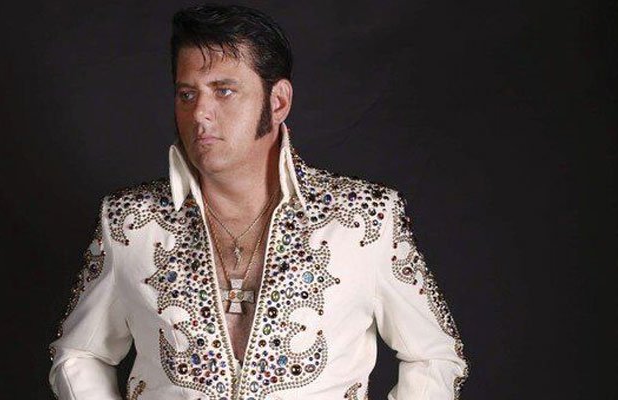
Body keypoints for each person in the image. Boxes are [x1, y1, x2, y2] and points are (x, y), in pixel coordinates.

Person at [47, 4, 470, 400]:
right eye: (187, 94)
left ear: (278, 101)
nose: (200, 114)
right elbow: (79, 353)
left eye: (224, 91)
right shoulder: (130, 221)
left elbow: (435, 356)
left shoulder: (365, 217)